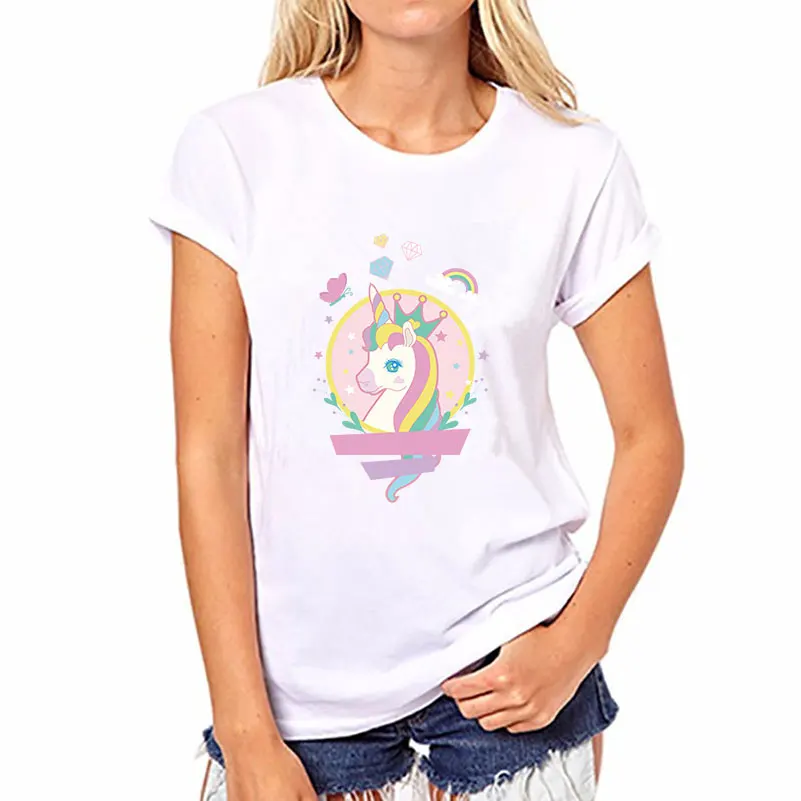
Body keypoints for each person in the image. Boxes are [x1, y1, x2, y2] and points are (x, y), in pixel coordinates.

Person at [148, 1, 684, 799]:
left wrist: (578, 640)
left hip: (508, 679)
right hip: (297, 711)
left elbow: (650, 436)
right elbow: (209, 454)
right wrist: (244, 726)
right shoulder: (235, 150)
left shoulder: (573, 162)